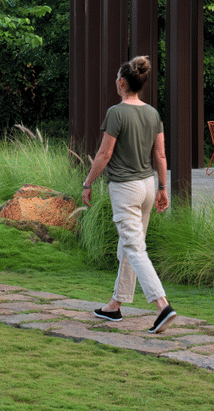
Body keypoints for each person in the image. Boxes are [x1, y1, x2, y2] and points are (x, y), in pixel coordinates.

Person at [81, 55, 176, 334]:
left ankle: (162, 306)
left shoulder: (116, 112)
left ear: (122, 82)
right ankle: (114, 305)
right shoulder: (152, 113)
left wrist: (87, 183)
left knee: (134, 248)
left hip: (125, 188)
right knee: (129, 247)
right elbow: (160, 154)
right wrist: (162, 188)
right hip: (147, 186)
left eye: (116, 79)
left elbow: (104, 153)